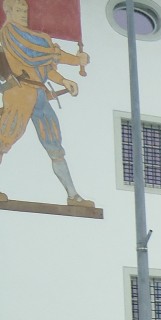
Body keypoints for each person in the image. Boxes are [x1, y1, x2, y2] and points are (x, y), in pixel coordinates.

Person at [0, 0, 93, 207]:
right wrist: (76, 60)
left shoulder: (37, 38)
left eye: (25, 9)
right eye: (18, 9)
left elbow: (45, 67)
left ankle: (73, 196)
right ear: (8, 11)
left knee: (54, 145)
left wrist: (63, 81)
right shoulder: (10, 34)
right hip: (18, 94)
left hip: (39, 95)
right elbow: (39, 54)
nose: (24, 13)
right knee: (4, 139)